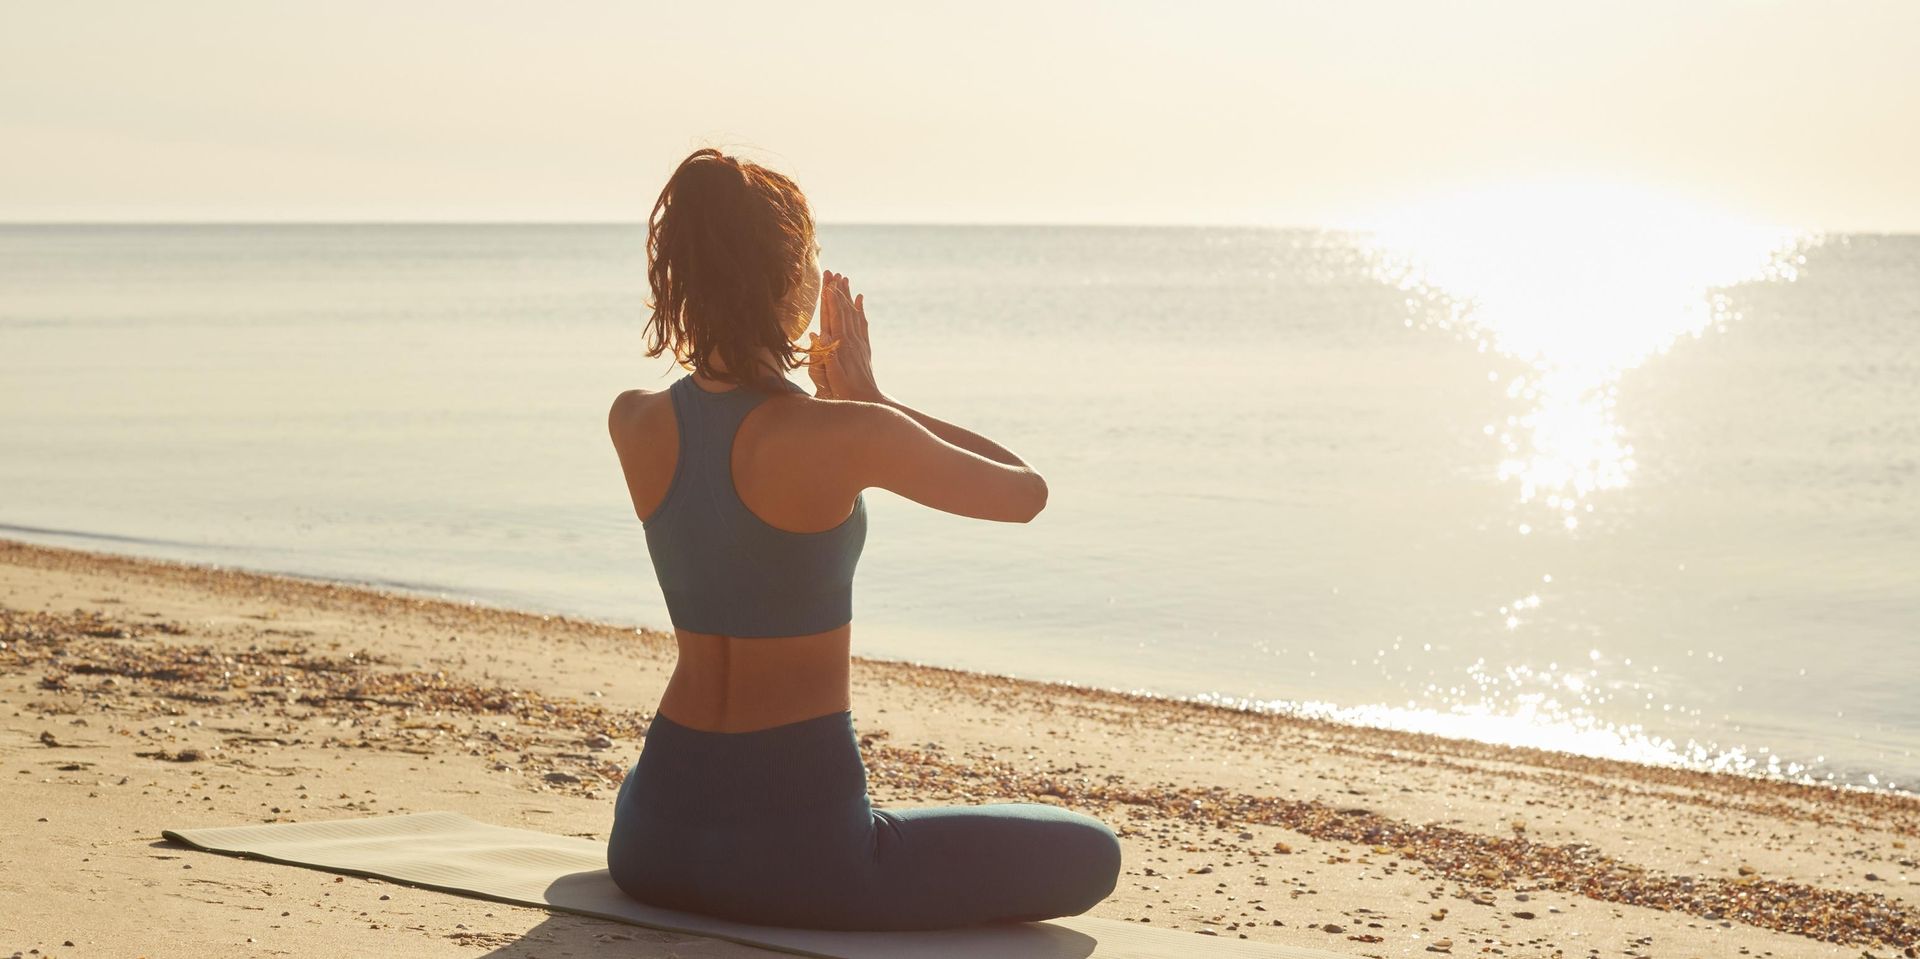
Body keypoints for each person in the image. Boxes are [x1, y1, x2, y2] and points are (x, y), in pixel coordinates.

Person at [602, 147, 1123, 931]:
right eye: (809, 259)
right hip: (806, 861)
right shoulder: (849, 432)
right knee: (1094, 851)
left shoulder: (632, 419)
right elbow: (1025, 493)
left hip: (649, 843)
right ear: (787, 281)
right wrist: (876, 398)